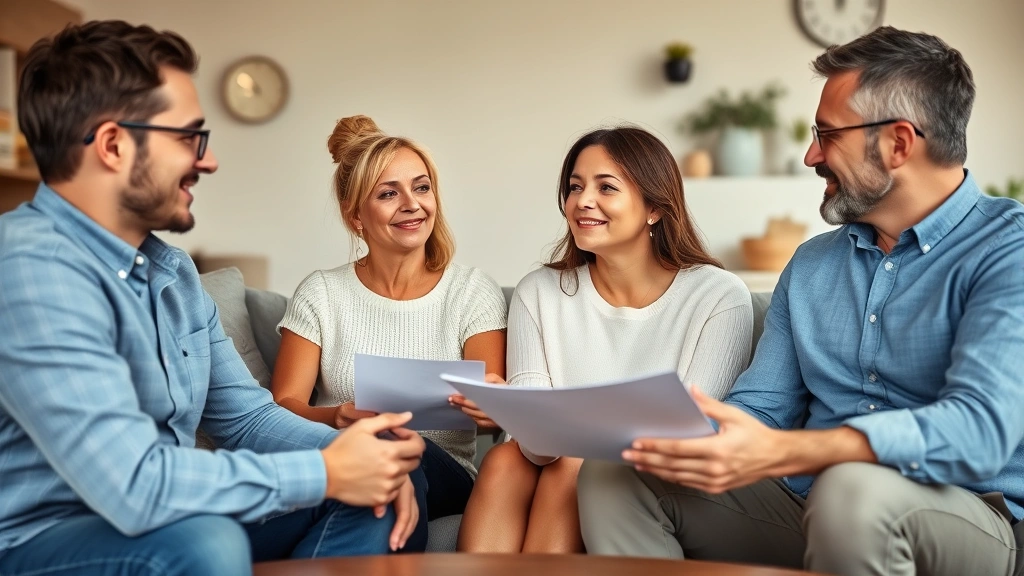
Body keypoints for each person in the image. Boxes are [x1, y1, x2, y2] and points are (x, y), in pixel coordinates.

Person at [577, 26, 1024, 576]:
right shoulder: (813, 264)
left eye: (827, 134)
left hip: (970, 519)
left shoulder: (1008, 250)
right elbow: (761, 408)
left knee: (854, 490)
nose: (811, 154)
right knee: (616, 472)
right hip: (811, 508)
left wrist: (800, 452)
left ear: (899, 143)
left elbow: (980, 432)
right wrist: (661, 432)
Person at [0, 21, 426, 576]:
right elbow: (134, 483)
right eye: (188, 139)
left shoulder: (173, 274)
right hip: (45, 540)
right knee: (206, 543)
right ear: (111, 145)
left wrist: (361, 455)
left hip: (168, 517)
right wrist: (326, 471)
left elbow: (247, 421)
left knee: (385, 476)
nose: (209, 161)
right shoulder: (30, 269)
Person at [457, 126, 753, 553]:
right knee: (506, 458)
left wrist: (569, 436)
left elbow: (691, 426)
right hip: (544, 459)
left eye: (606, 187)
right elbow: (536, 444)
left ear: (654, 207)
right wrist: (517, 411)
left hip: (651, 476)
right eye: (575, 187)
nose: (582, 201)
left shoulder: (718, 296)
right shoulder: (539, 291)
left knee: (577, 462)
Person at [270, 115, 508, 522]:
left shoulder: (472, 291)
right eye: (388, 194)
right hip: (345, 464)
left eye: (421, 187)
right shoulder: (321, 293)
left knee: (392, 448)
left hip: (443, 474)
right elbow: (281, 405)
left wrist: (494, 406)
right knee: (370, 461)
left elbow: (494, 418)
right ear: (355, 216)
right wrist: (335, 416)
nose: (412, 204)